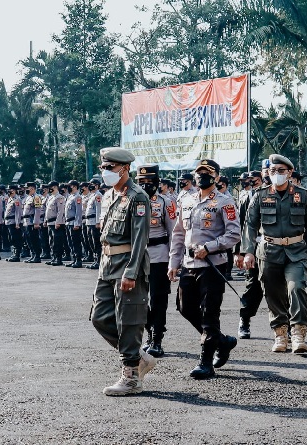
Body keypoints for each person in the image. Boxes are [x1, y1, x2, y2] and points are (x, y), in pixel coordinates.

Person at [89, 147, 156, 396]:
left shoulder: (138, 197)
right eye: (103, 168)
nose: (105, 172)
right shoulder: (109, 196)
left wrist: (131, 271)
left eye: (110, 168)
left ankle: (131, 377)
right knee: (100, 316)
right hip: (107, 265)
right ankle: (138, 357)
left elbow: (140, 239)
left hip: (128, 265)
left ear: (124, 169)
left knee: (128, 320)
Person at [242, 154, 307, 353]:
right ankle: (280, 333)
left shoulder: (303, 195)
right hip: (269, 252)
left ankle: (298, 333)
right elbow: (250, 225)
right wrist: (247, 252)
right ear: (267, 173)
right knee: (273, 294)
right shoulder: (260, 195)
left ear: (289, 172)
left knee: (296, 288)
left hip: (296, 251)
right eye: (273, 171)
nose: (277, 174)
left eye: (281, 171)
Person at [169, 159, 241, 379]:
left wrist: (209, 248)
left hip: (212, 265)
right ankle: (221, 340)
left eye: (207, 173)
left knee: (210, 314)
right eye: (198, 173)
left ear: (216, 177)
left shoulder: (225, 202)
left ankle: (205, 361)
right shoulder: (187, 200)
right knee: (184, 307)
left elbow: (233, 234)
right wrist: (173, 263)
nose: (202, 177)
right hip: (189, 265)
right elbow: (179, 233)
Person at [136, 164, 176, 358]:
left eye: (149, 182)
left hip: (159, 256)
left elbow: (173, 232)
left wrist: (174, 261)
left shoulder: (165, 203)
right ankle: (149, 332)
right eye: (141, 182)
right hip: (137, 257)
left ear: (157, 183)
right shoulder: (130, 202)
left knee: (159, 299)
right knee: (139, 300)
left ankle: (157, 338)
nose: (145, 185)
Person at [234, 171, 265, 339]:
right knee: (252, 286)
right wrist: (239, 251)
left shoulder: (271, 194)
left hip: (271, 246)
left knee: (280, 288)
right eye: (249, 181)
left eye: (255, 181)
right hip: (251, 247)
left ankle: (286, 326)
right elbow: (240, 226)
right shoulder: (246, 198)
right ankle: (244, 320)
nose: (252, 184)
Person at [44, 181, 67, 266]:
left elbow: (60, 211)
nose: (49, 189)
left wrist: (58, 222)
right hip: (50, 222)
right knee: (51, 241)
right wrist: (45, 221)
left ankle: (58, 258)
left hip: (56, 223)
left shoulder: (59, 197)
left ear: (55, 187)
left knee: (57, 241)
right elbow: (47, 210)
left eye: (51, 187)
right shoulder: (50, 197)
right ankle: (54, 257)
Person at [64, 180, 84, 268]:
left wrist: (77, 224)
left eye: (70, 186)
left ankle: (78, 260)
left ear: (75, 187)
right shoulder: (70, 197)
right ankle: (74, 259)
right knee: (70, 242)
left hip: (74, 223)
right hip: (68, 222)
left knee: (76, 242)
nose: (69, 188)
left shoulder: (78, 197)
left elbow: (78, 212)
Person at [85, 181, 103, 269]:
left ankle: (99, 261)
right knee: (91, 242)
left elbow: (99, 210)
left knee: (96, 242)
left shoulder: (98, 195)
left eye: (92, 185)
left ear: (96, 186)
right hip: (89, 222)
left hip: (94, 222)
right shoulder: (91, 195)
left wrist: (98, 222)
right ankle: (95, 260)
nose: (90, 186)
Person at [3, 184, 23, 262]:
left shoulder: (17, 199)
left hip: (14, 222)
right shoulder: (10, 199)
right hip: (9, 221)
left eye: (10, 190)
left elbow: (18, 212)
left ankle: (17, 255)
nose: (8, 191)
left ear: (14, 191)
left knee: (15, 238)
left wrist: (17, 223)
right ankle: (13, 253)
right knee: (11, 238)